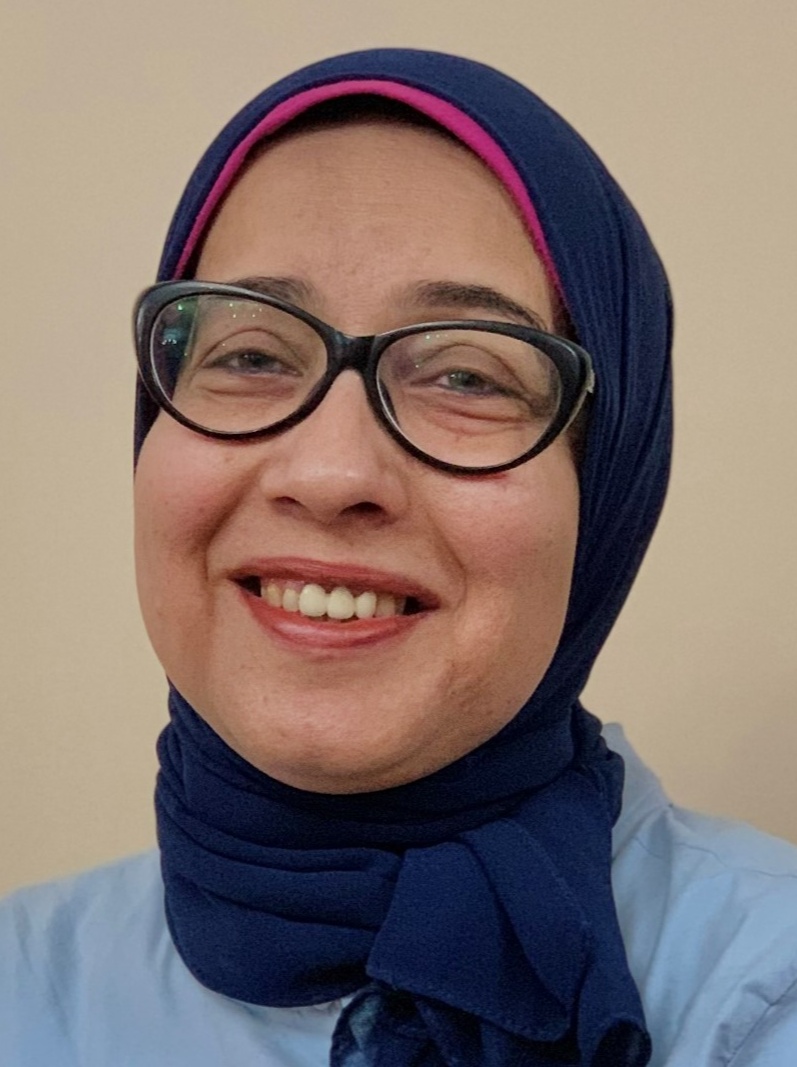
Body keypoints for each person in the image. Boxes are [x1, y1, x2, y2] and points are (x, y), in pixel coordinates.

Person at [1, 47, 796, 1067]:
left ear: (606, 487)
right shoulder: (24, 982)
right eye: (250, 354)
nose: (331, 470)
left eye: (466, 375)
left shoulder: (757, 994)